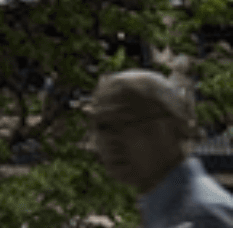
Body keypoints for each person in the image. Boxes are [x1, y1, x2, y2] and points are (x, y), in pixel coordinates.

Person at [93, 70, 233, 227]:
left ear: (176, 124)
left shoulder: (202, 217)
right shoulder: (162, 213)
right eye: (103, 127)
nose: (111, 140)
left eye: (127, 122)